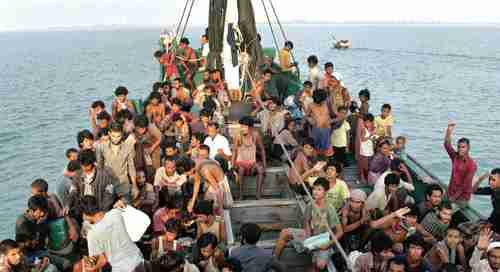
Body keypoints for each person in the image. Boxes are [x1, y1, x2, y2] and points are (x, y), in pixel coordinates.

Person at [275, 178, 343, 271]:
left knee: (320, 264)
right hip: (311, 236)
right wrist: (308, 234)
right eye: (314, 189)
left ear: (325, 192)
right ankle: (274, 261)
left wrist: (328, 244)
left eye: (319, 189)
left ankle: (311, 266)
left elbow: (340, 232)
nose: (315, 192)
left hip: (322, 240)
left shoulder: (330, 209)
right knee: (284, 232)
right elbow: (307, 221)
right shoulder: (311, 204)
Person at [80, 196, 144, 272]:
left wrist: (91, 267)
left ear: (84, 214)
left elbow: (102, 260)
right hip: (139, 260)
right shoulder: (116, 213)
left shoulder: (92, 235)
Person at [96, 122, 136, 201]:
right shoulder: (101, 147)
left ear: (122, 135)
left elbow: (131, 167)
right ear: (109, 134)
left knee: (126, 209)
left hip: (124, 184)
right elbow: (100, 167)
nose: (116, 138)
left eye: (118, 136)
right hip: (108, 184)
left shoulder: (128, 147)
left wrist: (135, 186)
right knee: (107, 209)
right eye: (113, 136)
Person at [232, 117, 266, 200]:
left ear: (250, 128)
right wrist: (232, 164)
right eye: (241, 126)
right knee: (241, 170)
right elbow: (234, 151)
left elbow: (262, 149)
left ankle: (258, 195)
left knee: (261, 169)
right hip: (241, 163)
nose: (242, 128)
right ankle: (241, 195)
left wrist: (265, 164)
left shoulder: (256, 135)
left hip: (252, 163)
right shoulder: (238, 136)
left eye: (244, 127)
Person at [444, 123, 477, 206]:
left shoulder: (472, 165)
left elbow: (464, 185)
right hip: (450, 192)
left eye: (463, 147)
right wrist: (448, 131)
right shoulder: (455, 157)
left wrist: (453, 198)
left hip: (462, 198)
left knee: (445, 212)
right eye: (458, 147)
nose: (460, 149)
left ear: (468, 148)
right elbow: (447, 145)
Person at [306, 89, 334, 156]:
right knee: (315, 148)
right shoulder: (310, 105)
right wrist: (310, 120)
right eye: (317, 102)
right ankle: (316, 163)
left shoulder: (328, 103)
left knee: (326, 150)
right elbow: (306, 116)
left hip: (326, 130)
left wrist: (330, 121)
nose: (320, 103)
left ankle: (325, 162)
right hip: (316, 130)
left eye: (321, 101)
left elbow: (333, 115)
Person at [473, 168, 500, 233]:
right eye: (490, 179)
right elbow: (473, 191)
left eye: (493, 180)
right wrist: (480, 179)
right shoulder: (493, 190)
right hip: (492, 221)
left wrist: (490, 225)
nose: (490, 182)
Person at [357, 113, 376, 183]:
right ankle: (362, 178)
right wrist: (370, 135)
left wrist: (372, 139)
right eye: (367, 122)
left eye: (370, 122)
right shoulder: (364, 130)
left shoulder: (370, 129)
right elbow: (362, 139)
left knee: (368, 165)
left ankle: (366, 178)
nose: (368, 123)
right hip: (364, 151)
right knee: (364, 166)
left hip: (369, 150)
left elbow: (370, 139)